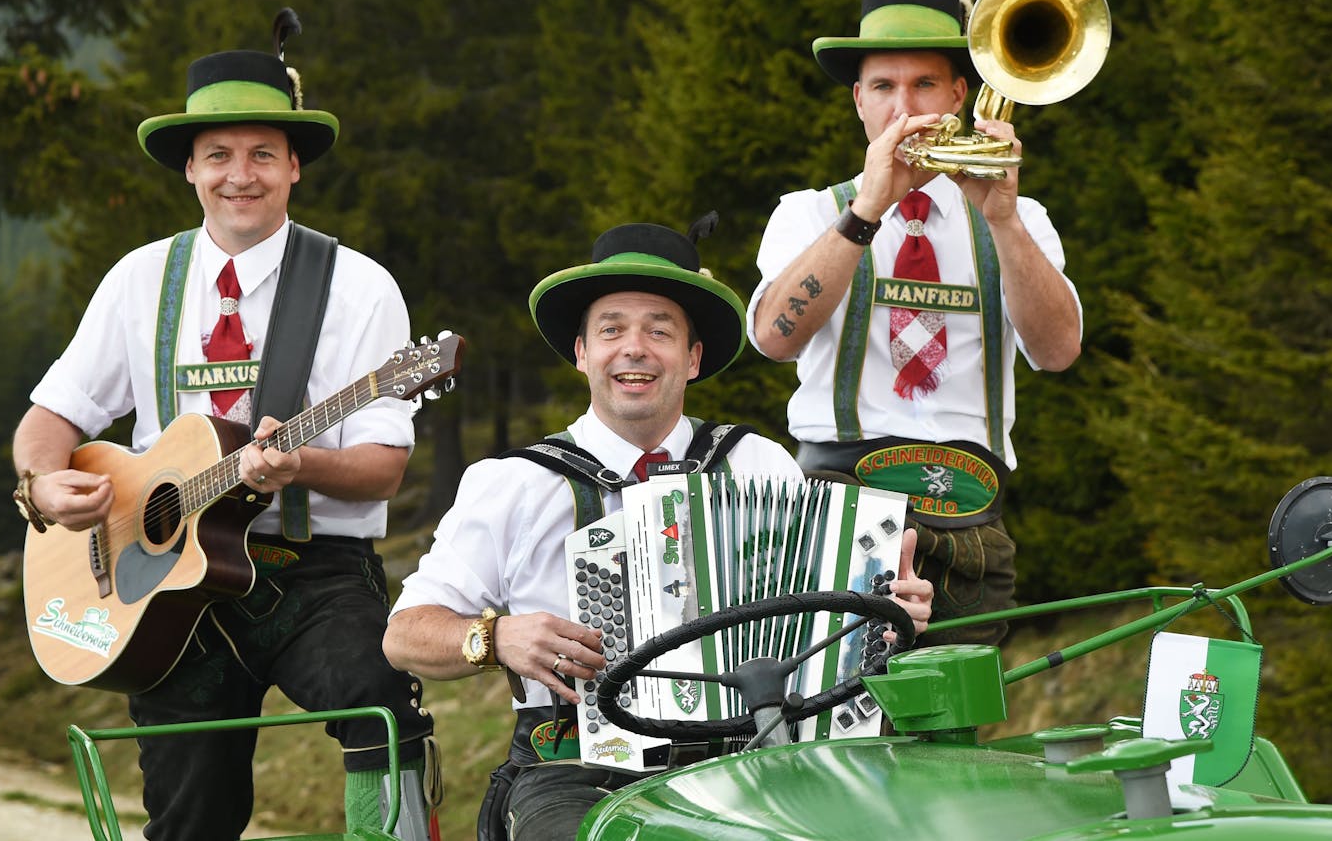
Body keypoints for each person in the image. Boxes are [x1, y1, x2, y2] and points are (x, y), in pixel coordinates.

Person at [10, 15, 434, 841]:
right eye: (219, 156)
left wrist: (302, 463)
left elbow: (384, 465)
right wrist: (41, 481)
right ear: (191, 170)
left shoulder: (359, 287)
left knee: (381, 706)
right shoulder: (139, 279)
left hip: (316, 575)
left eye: (263, 154)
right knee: (189, 810)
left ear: (295, 165)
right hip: (163, 581)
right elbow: (50, 415)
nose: (241, 176)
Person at [383, 222, 935, 841]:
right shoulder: (514, 482)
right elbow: (404, 636)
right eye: (611, 329)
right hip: (576, 768)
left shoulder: (759, 462)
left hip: (754, 750)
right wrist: (495, 637)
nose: (634, 348)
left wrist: (884, 618)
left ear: (692, 358)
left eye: (660, 331)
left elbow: (824, 634)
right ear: (582, 353)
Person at [748, 0, 1083, 645]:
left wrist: (1005, 221)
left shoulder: (1021, 217)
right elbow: (771, 337)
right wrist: (865, 210)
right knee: (839, 725)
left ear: (960, 96)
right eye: (883, 88)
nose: (904, 108)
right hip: (841, 505)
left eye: (925, 85)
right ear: (858, 103)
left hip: (973, 514)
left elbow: (1058, 351)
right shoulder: (811, 212)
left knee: (954, 732)